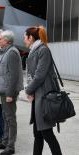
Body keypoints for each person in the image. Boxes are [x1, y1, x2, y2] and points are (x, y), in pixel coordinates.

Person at [24, 26, 62, 155]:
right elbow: (31, 74)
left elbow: (39, 75)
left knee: (46, 133)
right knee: (38, 134)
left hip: (44, 97)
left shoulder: (43, 50)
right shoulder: (34, 50)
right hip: (38, 96)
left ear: (30, 37)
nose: (24, 39)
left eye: (25, 37)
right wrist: (30, 89)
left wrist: (28, 90)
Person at [0, 30, 23, 155]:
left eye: (2, 39)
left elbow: (13, 76)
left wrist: (10, 94)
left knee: (10, 118)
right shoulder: (5, 52)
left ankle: (10, 147)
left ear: (7, 41)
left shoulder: (12, 53)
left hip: (8, 91)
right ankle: (4, 141)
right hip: (3, 90)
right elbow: (0, 70)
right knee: (5, 117)